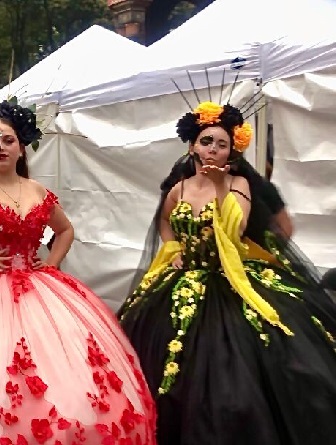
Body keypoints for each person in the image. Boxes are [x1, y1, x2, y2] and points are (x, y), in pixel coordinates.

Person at [0, 99, 156, 445]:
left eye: (7, 140)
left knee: (67, 374)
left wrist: (52, 262)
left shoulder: (37, 191)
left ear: (22, 147)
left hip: (40, 289)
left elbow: (66, 230)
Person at [118, 99, 336, 444]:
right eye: (207, 142)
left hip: (228, 275)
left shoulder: (239, 184)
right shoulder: (180, 187)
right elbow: (165, 220)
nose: (213, 150)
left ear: (231, 152)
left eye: (222, 144)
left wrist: (220, 186)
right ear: (192, 146)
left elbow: (234, 228)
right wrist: (172, 248)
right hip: (182, 277)